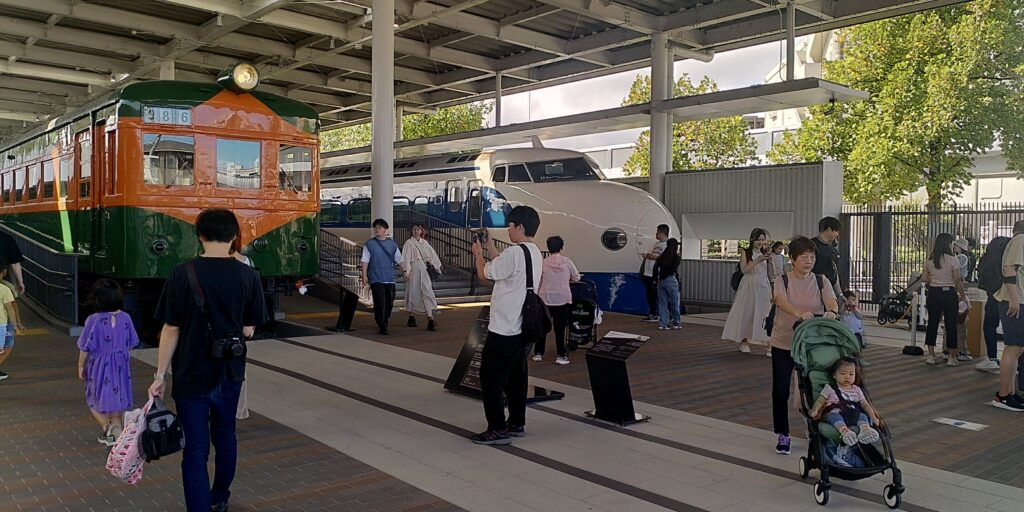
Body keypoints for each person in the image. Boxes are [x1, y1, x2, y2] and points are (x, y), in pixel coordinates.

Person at [148, 209, 269, 512]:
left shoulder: (182, 273)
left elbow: (171, 328)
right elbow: (249, 330)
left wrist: (159, 376)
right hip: (230, 373)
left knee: (196, 450)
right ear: (233, 236)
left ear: (199, 235)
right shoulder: (248, 276)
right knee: (226, 438)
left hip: (190, 375)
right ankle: (220, 498)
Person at [470, 205, 543, 445]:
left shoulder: (514, 254)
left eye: (510, 226)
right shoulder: (534, 252)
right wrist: (491, 245)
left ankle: (497, 428)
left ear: (520, 226)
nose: (508, 231)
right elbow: (505, 267)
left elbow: (485, 274)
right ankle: (516, 423)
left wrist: (478, 254)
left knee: (490, 377)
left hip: (504, 327)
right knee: (516, 377)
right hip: (524, 326)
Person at [770, 236, 838, 455]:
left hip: (811, 345)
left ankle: (814, 426)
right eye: (803, 257)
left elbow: (831, 300)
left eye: (812, 257)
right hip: (784, 343)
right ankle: (783, 434)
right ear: (792, 259)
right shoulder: (783, 280)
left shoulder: (821, 280)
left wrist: (832, 312)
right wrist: (798, 313)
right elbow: (779, 300)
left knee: (813, 388)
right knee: (781, 390)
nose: (809, 261)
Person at [77, 279, 140, 446]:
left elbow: (85, 346)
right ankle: (117, 434)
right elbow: (133, 341)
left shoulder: (93, 320)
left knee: (94, 398)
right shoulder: (125, 318)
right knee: (118, 398)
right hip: (120, 364)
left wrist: (80, 365)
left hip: (99, 365)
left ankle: (107, 428)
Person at [808, 357, 882, 466]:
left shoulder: (857, 390)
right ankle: (845, 431)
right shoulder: (830, 388)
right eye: (843, 373)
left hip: (853, 414)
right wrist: (815, 410)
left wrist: (874, 417)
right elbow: (820, 401)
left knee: (862, 415)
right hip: (834, 413)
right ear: (834, 375)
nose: (847, 377)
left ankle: (865, 429)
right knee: (834, 416)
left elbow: (865, 405)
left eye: (851, 374)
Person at [990, 220, 1024, 411]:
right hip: (1015, 301)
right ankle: (1003, 395)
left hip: (1018, 300)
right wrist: (1014, 299)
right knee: (1013, 347)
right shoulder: (1020, 240)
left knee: (1017, 348)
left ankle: (1010, 392)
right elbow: (1009, 269)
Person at [722, 228, 774, 354]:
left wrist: (770, 262)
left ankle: (769, 344)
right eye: (758, 240)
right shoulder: (746, 252)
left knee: (765, 313)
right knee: (747, 312)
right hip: (749, 285)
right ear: (752, 239)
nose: (760, 242)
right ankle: (744, 341)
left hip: (763, 285)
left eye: (763, 240)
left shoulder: (765, 253)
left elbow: (771, 274)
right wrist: (758, 260)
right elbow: (745, 269)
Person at [921, 233, 968, 366]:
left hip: (933, 293)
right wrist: (963, 297)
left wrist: (934, 278)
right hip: (949, 294)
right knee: (951, 324)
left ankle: (931, 355)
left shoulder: (930, 261)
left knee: (932, 323)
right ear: (948, 244)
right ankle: (952, 357)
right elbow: (957, 280)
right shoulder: (953, 260)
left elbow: (924, 279)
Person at [536, 236, 580, 364]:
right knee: (560, 328)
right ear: (561, 248)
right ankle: (561, 355)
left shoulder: (543, 262)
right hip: (562, 298)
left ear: (548, 248)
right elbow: (576, 278)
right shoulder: (567, 262)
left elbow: (538, 280)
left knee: (543, 326)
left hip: (545, 298)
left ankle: (538, 353)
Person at [361, 218, 404, 335]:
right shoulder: (369, 244)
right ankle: (381, 324)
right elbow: (365, 261)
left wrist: (406, 270)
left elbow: (399, 259)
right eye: (375, 228)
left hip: (389, 279)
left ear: (385, 229)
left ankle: (385, 320)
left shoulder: (392, 244)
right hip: (375, 278)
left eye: (379, 227)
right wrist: (364, 276)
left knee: (389, 302)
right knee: (380, 302)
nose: (376, 230)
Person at [976, 236, 1010, 373]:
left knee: (989, 326)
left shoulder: (986, 259)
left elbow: (981, 277)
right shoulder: (1009, 258)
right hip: (1010, 296)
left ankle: (992, 358)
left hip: (993, 297)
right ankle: (1014, 359)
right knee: (1012, 329)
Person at [402, 224, 442, 332]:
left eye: (418, 229)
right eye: (413, 229)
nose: (415, 231)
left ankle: (430, 318)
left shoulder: (425, 243)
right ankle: (412, 316)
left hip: (424, 271)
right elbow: (406, 258)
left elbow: (433, 256)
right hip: (414, 270)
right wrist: (407, 271)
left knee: (427, 292)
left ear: (421, 231)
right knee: (413, 292)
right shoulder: (409, 243)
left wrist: (434, 265)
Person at [230, 240, 253, 421]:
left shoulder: (190, 269)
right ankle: (239, 410)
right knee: (238, 375)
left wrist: (160, 375)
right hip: (236, 337)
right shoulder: (246, 266)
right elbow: (248, 330)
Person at [640, 225, 669, 322]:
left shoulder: (667, 246)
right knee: (650, 295)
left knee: (658, 295)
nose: (656, 234)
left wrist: (650, 257)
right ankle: (653, 313)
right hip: (648, 273)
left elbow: (663, 260)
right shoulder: (655, 244)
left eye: (657, 232)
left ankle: (665, 315)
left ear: (662, 233)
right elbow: (652, 254)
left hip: (656, 274)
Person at [813, 217, 844, 306]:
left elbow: (834, 272)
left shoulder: (832, 250)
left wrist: (839, 293)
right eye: (836, 231)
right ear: (829, 229)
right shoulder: (811, 246)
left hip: (830, 291)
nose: (837, 234)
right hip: (814, 291)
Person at [0, 266, 23, 381]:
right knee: (6, 346)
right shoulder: (5, 288)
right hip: (2, 324)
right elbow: (11, 308)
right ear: (3, 273)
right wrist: (16, 325)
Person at [656, 238, 682, 330]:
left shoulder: (662, 256)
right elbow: (672, 270)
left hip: (661, 281)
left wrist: (658, 278)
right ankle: (676, 323)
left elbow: (656, 267)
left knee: (662, 303)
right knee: (675, 303)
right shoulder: (676, 257)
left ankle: (663, 324)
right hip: (671, 280)